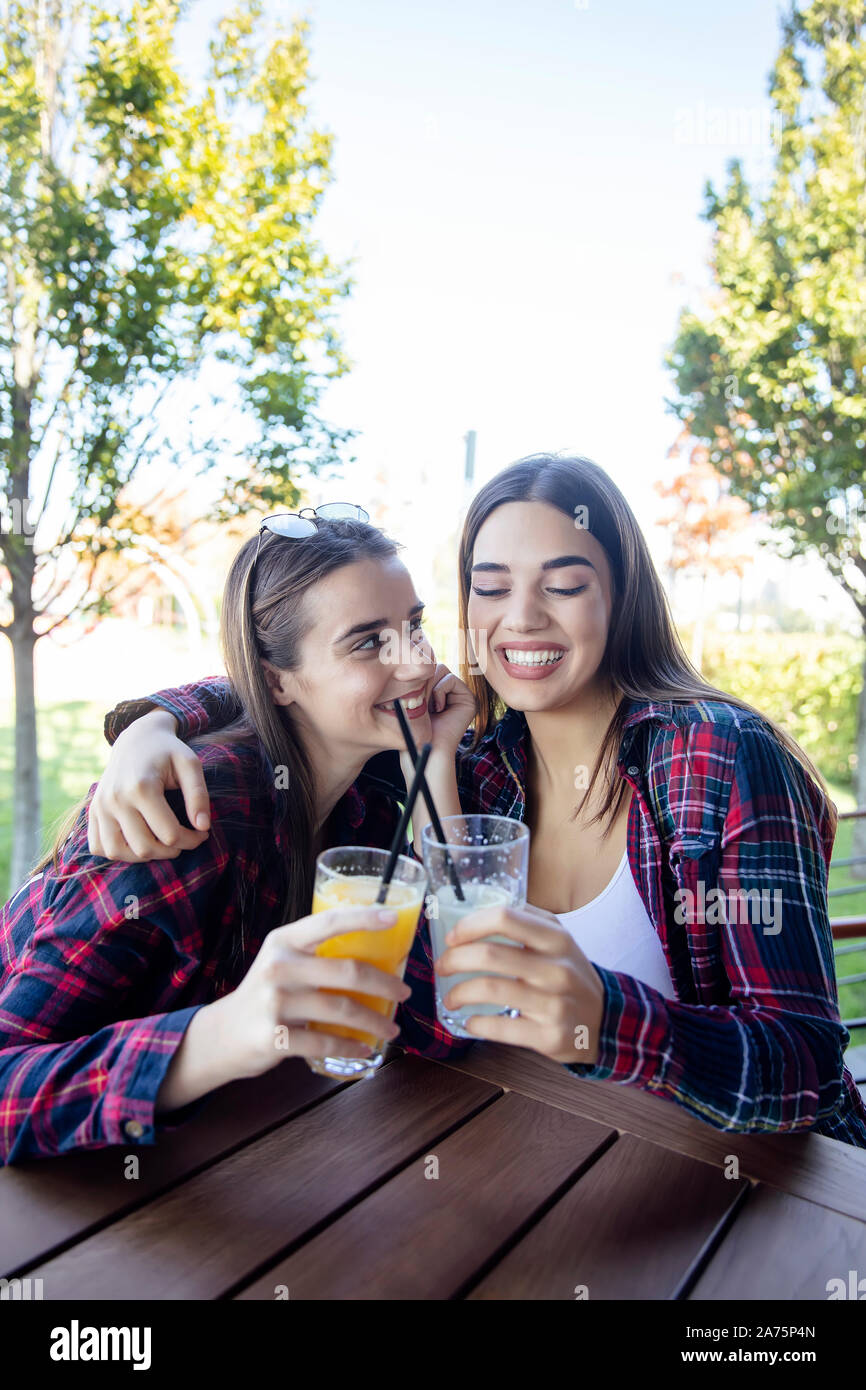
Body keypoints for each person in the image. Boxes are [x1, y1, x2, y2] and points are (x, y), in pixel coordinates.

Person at [92, 456, 866, 1148]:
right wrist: (153, 720)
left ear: (620, 595)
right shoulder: (475, 765)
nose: (522, 617)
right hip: (519, 1166)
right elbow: (305, 673)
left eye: (564, 585)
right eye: (490, 587)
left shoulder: (718, 758)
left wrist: (606, 1020)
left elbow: (806, 1068)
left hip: (743, 1200)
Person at [0, 508, 485, 1165]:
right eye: (368, 642)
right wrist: (220, 1037)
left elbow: (442, 1019)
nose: (418, 663)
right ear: (278, 678)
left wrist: (433, 768)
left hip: (213, 1174)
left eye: (414, 626)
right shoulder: (191, 815)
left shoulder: (369, 797)